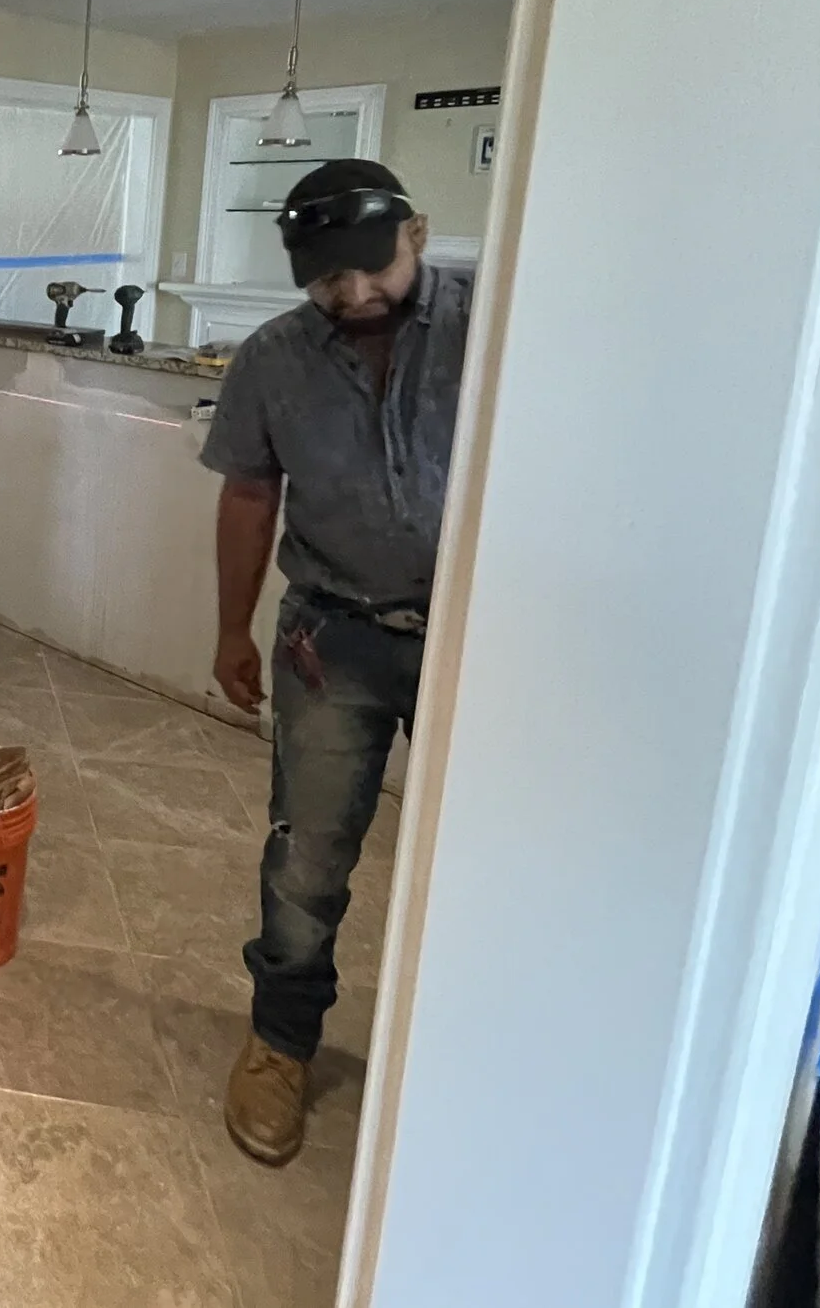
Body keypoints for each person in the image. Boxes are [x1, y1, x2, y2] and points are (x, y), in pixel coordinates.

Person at [197, 157, 473, 1165]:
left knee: (485, 863)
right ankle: (280, 1042)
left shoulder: (503, 322)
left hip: (481, 644)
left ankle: (469, 1059)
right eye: (327, 280)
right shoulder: (275, 358)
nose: (354, 295)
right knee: (308, 857)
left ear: (417, 233)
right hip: (333, 637)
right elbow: (247, 495)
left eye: (371, 269)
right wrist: (232, 629)